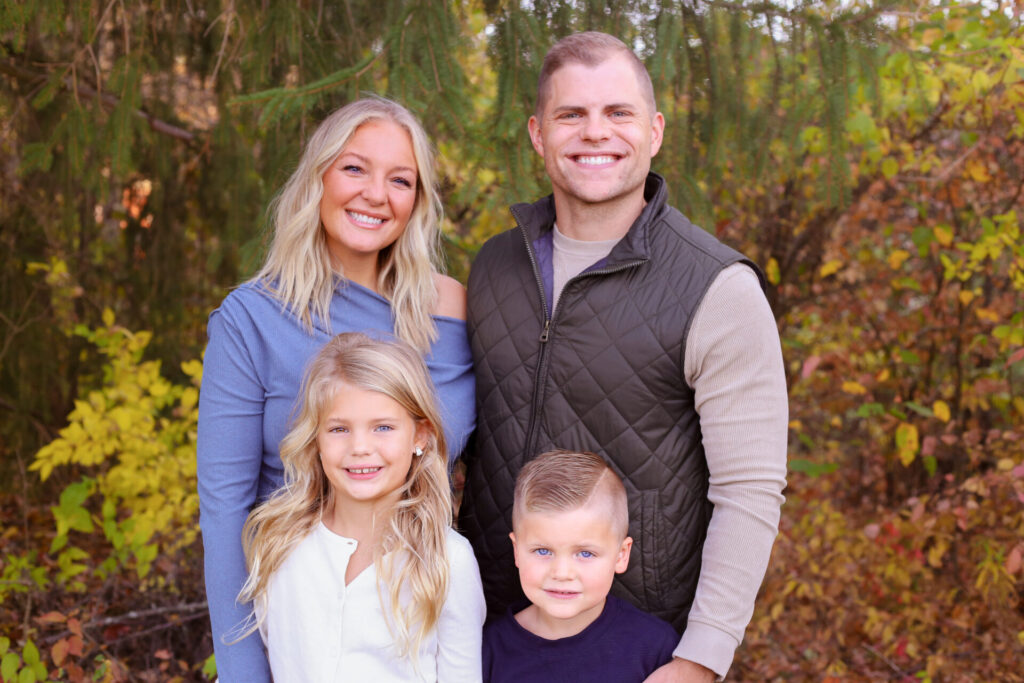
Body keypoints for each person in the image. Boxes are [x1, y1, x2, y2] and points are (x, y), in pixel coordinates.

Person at [461, 32, 788, 681]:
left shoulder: (716, 288)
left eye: (618, 113)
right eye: (571, 114)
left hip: (638, 651)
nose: (594, 133)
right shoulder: (495, 268)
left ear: (655, 130)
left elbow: (748, 491)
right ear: (537, 133)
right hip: (490, 636)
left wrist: (699, 657)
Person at [197, 97, 475, 681]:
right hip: (302, 610)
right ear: (317, 178)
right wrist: (244, 671)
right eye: (354, 168)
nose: (376, 194)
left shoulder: (446, 309)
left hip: (416, 605)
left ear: (417, 202)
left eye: (400, 180)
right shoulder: (251, 318)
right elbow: (225, 510)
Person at [236, 332, 485, 681]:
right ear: (316, 439)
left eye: (382, 427)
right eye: (339, 429)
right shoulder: (280, 544)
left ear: (420, 436)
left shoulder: (448, 561)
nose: (360, 447)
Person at [482, 450, 678, 682]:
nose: (562, 573)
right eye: (543, 551)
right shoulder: (489, 649)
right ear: (517, 551)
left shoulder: (655, 648)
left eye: (585, 553)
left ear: (621, 555)